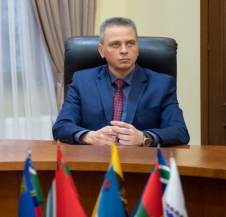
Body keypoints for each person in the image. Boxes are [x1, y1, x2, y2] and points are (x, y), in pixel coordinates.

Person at [52, 17, 189, 147]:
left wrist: (144, 137)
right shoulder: (82, 81)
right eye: (115, 44)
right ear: (101, 50)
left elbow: (180, 131)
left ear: (137, 48)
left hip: (141, 160)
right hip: (95, 158)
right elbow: (61, 126)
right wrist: (89, 136)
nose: (124, 51)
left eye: (130, 43)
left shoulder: (162, 84)